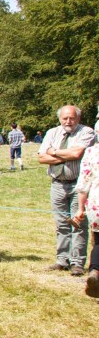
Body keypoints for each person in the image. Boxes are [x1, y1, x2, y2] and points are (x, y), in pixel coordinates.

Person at [38, 105, 96, 275]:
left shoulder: (86, 132)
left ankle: (77, 263)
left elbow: (76, 154)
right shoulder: (52, 133)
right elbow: (41, 158)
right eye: (65, 118)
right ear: (60, 119)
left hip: (79, 186)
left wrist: (53, 152)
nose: (68, 121)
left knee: (78, 224)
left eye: (72, 118)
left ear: (78, 118)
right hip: (57, 184)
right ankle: (62, 259)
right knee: (61, 223)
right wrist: (65, 155)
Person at [71, 142, 99, 297]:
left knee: (98, 242)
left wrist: (80, 208)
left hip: (96, 203)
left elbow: (83, 184)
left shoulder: (92, 152)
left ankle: (95, 271)